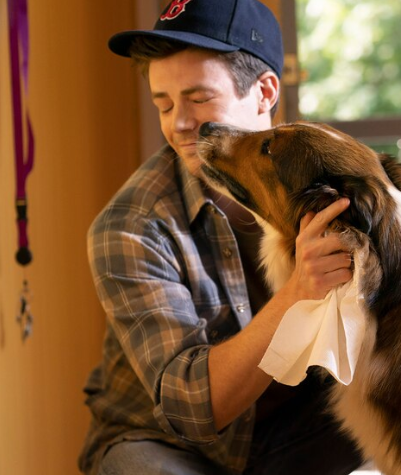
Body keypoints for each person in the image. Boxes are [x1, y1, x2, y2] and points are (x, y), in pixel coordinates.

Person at [78, 1, 364, 473]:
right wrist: (298, 292)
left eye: (198, 98)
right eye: (163, 104)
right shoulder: (130, 225)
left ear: (265, 91)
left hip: (292, 429)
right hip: (164, 443)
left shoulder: (326, 179)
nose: (178, 124)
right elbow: (191, 410)